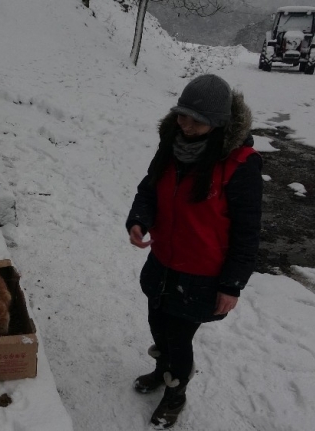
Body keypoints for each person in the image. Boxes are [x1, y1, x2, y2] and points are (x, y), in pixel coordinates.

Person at [125, 74, 262, 429]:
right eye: (181, 114)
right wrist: (139, 218)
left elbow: (248, 232)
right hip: (164, 261)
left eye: (196, 120)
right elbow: (149, 189)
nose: (184, 124)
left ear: (218, 123)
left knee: (178, 335)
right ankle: (163, 370)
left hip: (203, 274)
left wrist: (232, 285)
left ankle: (175, 392)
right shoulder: (171, 143)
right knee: (157, 322)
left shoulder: (240, 164)